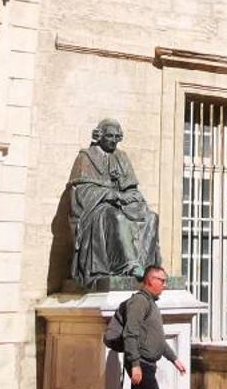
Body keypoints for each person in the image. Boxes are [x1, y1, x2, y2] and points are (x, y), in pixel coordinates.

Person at [66, 119, 161, 287]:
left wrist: (133, 197)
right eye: (109, 136)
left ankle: (147, 267)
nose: (113, 140)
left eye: (117, 137)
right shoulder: (86, 156)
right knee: (115, 217)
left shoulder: (122, 157)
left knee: (151, 217)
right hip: (96, 210)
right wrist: (113, 195)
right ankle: (128, 265)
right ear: (99, 136)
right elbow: (80, 192)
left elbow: (131, 187)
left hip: (122, 205)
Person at [118, 264, 185, 389]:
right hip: (142, 365)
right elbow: (130, 334)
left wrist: (174, 359)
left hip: (148, 364)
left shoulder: (151, 303)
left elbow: (157, 339)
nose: (164, 285)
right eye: (161, 281)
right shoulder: (139, 302)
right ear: (150, 280)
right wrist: (135, 365)